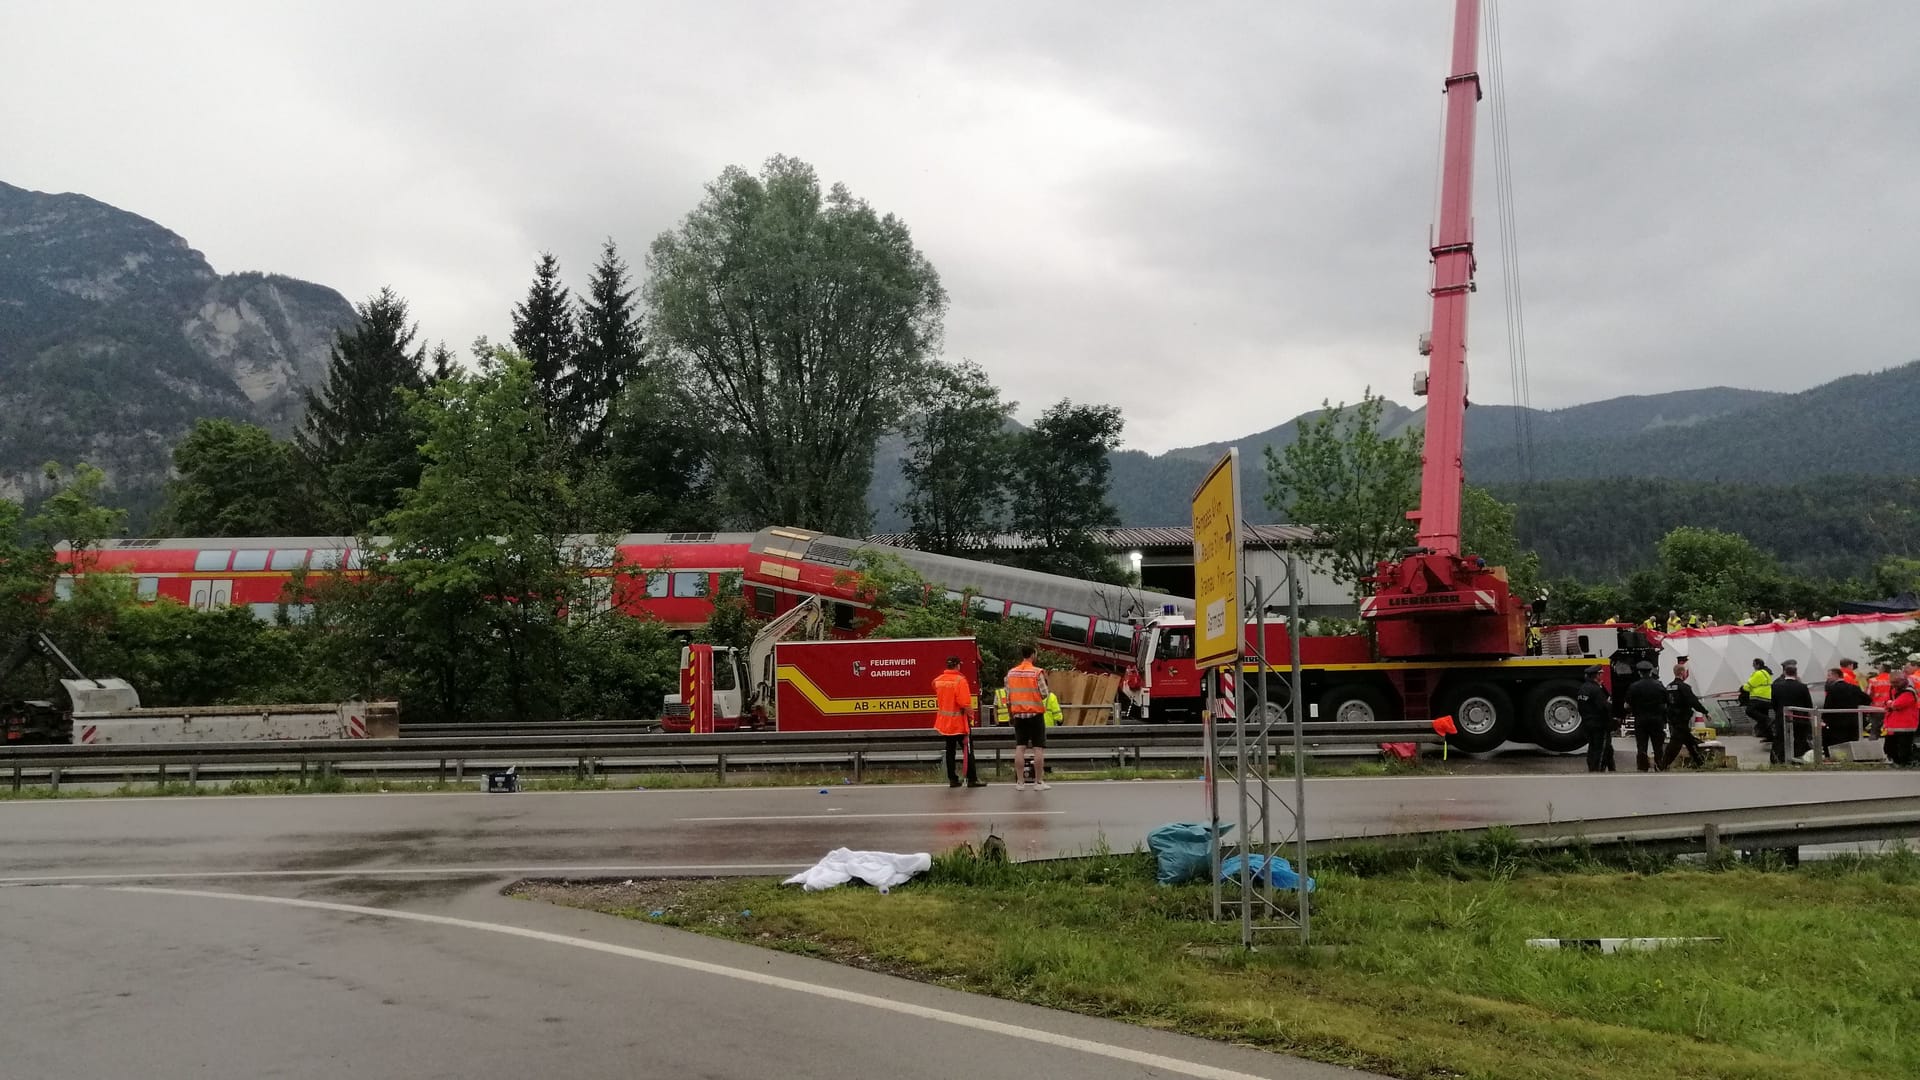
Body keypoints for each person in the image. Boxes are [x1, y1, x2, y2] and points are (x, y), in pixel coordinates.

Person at [933, 656, 985, 788]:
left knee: (950, 751)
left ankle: (953, 779)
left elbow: (935, 688)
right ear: (957, 665)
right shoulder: (960, 681)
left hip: (945, 724)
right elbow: (964, 703)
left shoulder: (938, 681)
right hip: (959, 723)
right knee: (967, 750)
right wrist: (971, 716)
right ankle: (972, 779)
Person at [1005, 645, 1051, 791]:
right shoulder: (1037, 672)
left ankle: (1020, 782)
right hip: (1035, 714)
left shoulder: (1011, 673)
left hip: (1018, 715)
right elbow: (1044, 693)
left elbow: (1008, 696)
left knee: (1020, 747)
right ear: (1032, 655)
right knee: (1038, 748)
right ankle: (1038, 782)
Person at [1659, 671, 1712, 769]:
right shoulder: (1684, 687)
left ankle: (1699, 761)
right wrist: (1705, 712)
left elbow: (1664, 702)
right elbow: (1693, 701)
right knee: (1675, 743)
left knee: (1687, 739)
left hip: (1672, 718)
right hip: (1682, 718)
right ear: (1682, 673)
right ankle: (1663, 765)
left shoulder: (1668, 687)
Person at [1625, 661, 1670, 772]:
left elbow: (1626, 705)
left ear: (1639, 673)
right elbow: (1667, 702)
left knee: (1641, 744)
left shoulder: (1634, 687)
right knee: (1658, 744)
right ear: (1651, 672)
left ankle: (1642, 766)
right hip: (1657, 719)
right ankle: (1659, 765)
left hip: (1641, 719)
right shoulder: (1659, 685)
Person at [1770, 660, 1815, 764]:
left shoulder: (1776, 686)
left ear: (1785, 672)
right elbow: (1808, 704)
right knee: (1799, 738)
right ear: (1796, 673)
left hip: (1782, 716)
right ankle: (1798, 758)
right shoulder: (1802, 687)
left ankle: (1777, 759)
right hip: (1800, 718)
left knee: (1780, 738)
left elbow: (1773, 703)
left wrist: (1779, 712)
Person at [1577, 665, 1616, 773]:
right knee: (1600, 749)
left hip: (1587, 723)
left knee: (1594, 747)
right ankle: (1597, 771)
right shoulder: (1596, 690)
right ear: (1597, 675)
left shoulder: (1583, 688)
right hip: (1599, 724)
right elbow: (1603, 707)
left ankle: (1608, 767)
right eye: (1601, 674)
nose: (1602, 675)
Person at [1822, 667, 1872, 750]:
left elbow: (1828, 706)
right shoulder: (1854, 688)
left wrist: (1824, 719)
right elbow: (1867, 699)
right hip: (1853, 721)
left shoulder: (1832, 689)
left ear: (1836, 676)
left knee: (1839, 745)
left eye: (1829, 675)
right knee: (1852, 745)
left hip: (1837, 723)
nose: (1827, 678)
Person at [1884, 673, 1918, 767]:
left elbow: (1897, 705)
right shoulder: (1893, 690)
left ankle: (1904, 763)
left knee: (1904, 747)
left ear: (1903, 680)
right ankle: (1897, 762)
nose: (1894, 684)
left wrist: (1890, 703)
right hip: (1893, 725)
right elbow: (1886, 701)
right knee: (1890, 747)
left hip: (1906, 726)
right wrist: (1890, 703)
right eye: (1892, 682)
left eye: (1896, 682)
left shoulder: (1909, 692)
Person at [1741, 659, 1775, 740]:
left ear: (1758, 665)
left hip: (1758, 697)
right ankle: (1769, 735)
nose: (1753, 666)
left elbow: (1749, 685)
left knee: (1749, 711)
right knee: (1763, 714)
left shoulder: (1758, 673)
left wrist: (1743, 688)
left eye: (1754, 664)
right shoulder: (1767, 673)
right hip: (1767, 698)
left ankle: (1768, 720)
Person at [1867, 662, 1895, 737]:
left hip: (1876, 708)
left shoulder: (1873, 680)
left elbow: (1867, 694)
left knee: (1875, 729)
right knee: (1891, 729)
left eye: (1879, 667)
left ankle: (1873, 745)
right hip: (1891, 707)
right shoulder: (1894, 680)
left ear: (1882, 669)